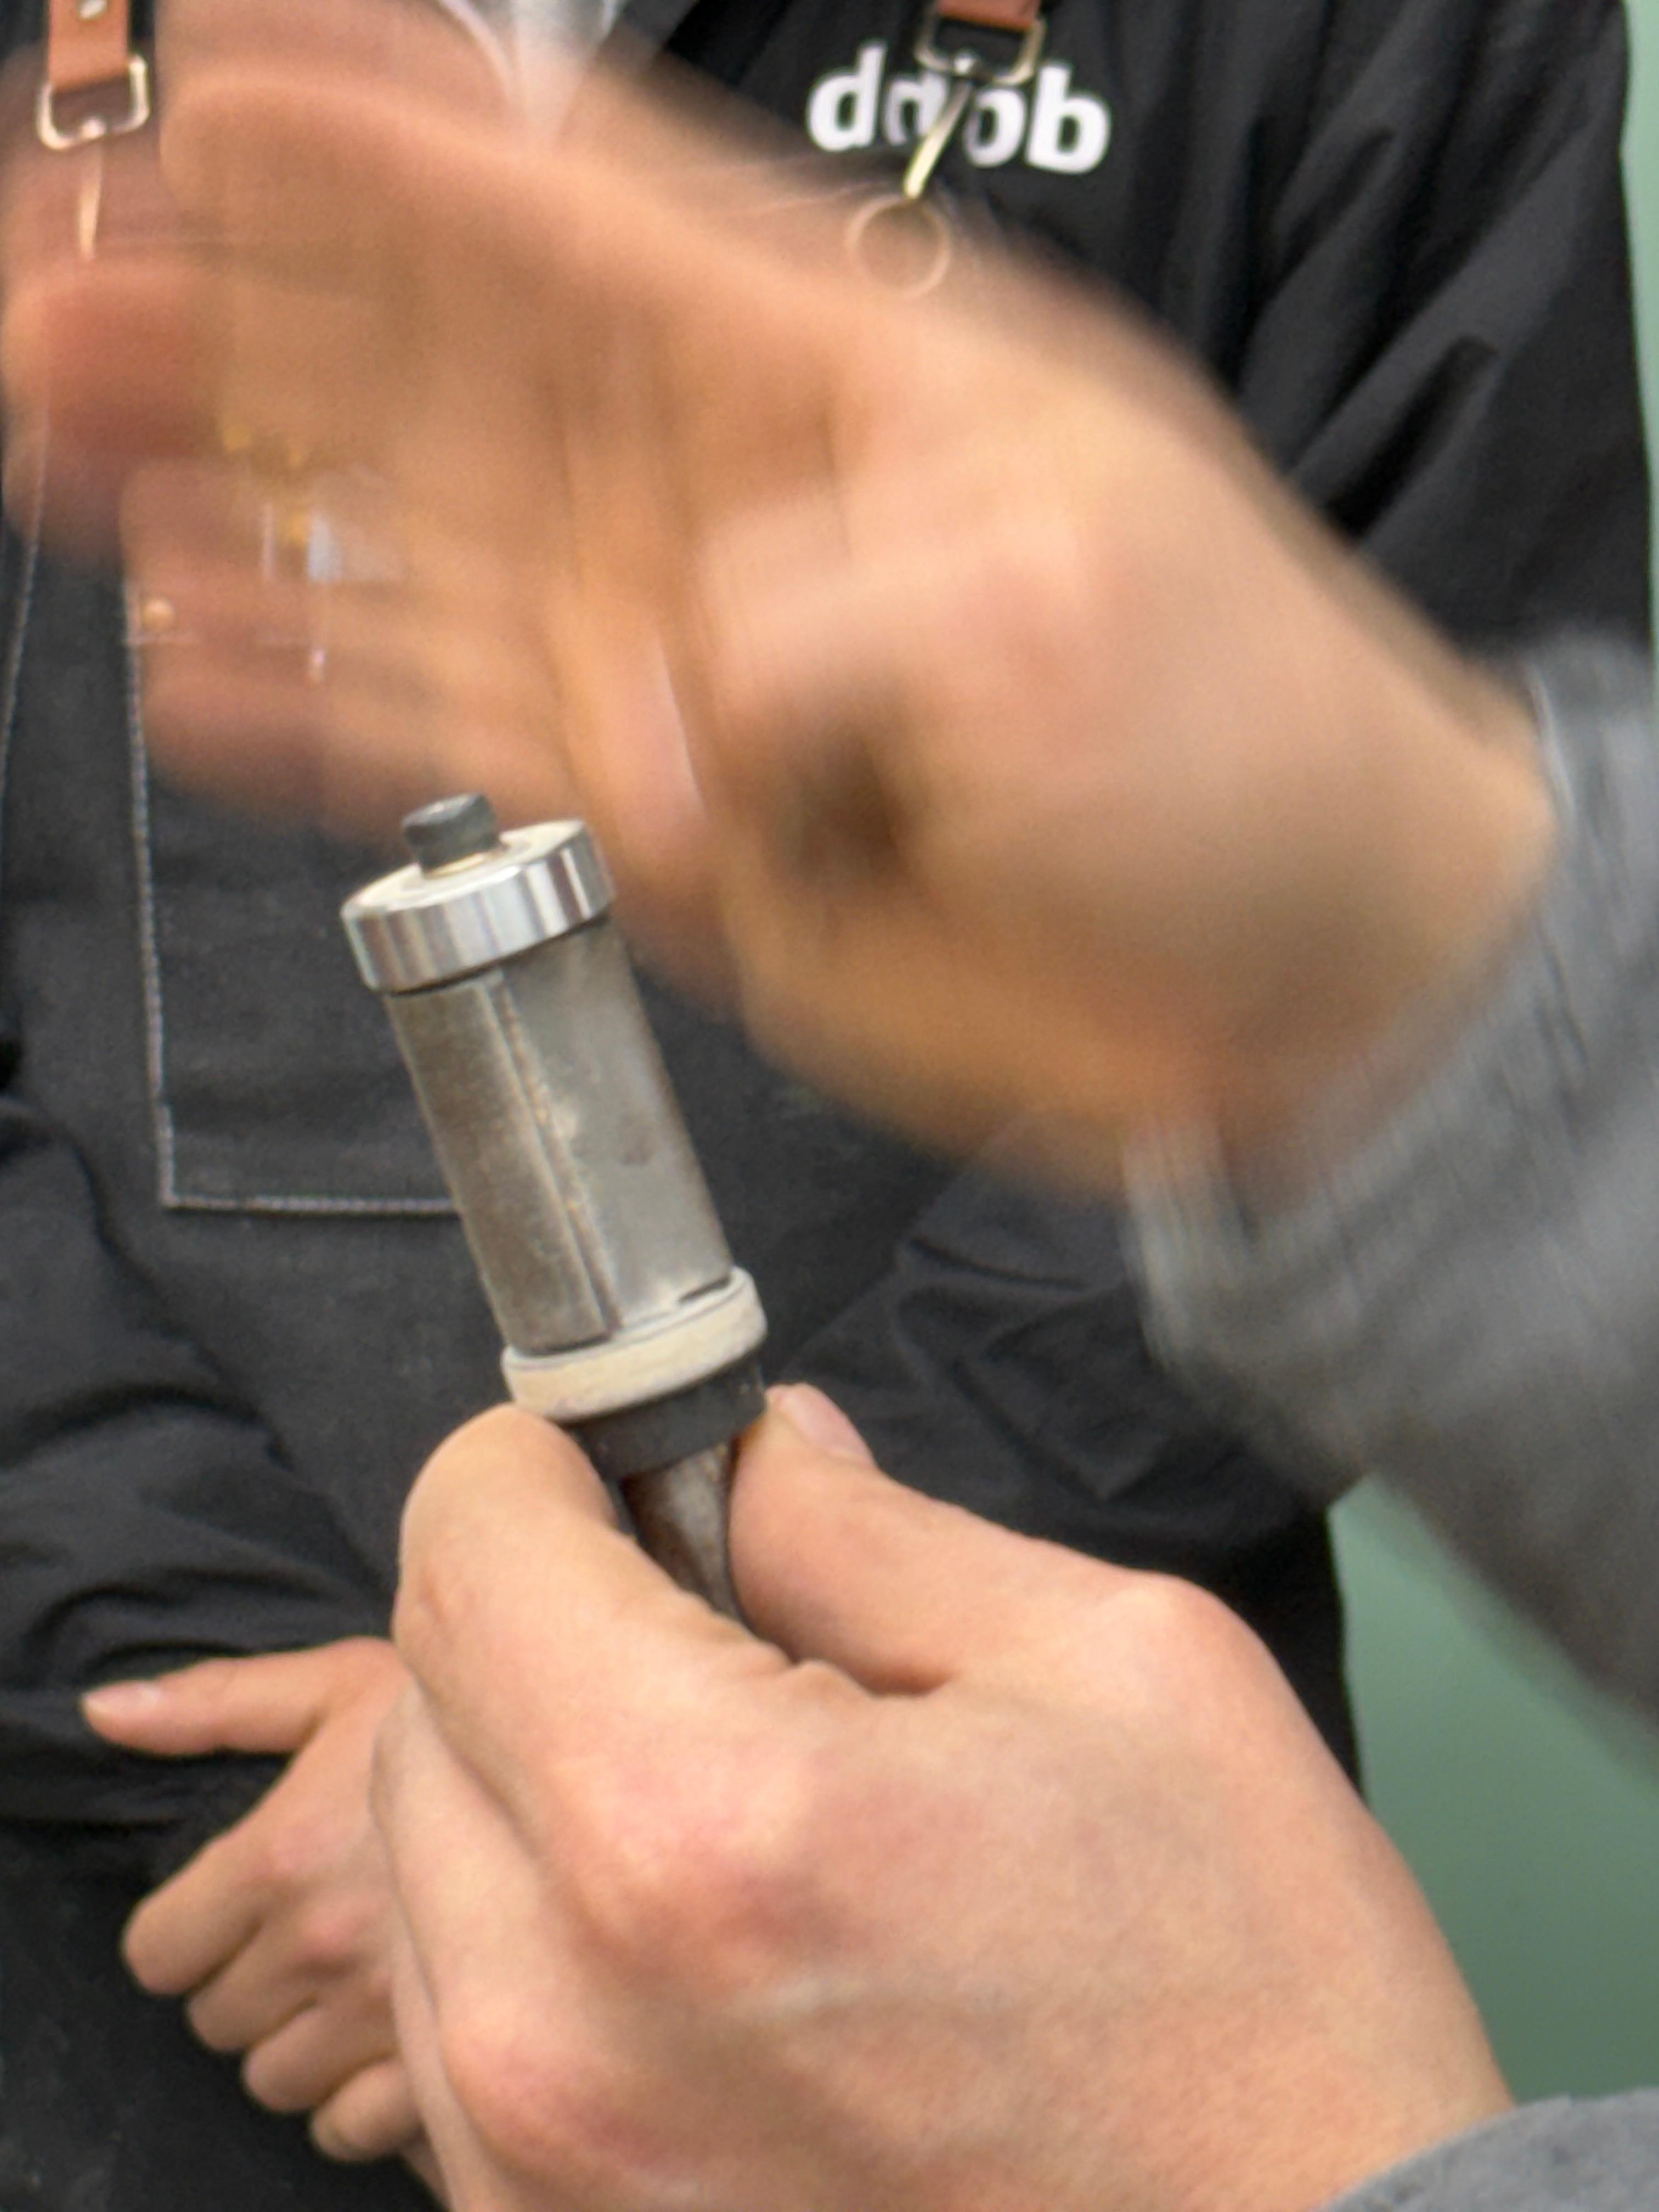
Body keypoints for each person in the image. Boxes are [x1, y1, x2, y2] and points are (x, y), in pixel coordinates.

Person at [0, 2, 1647, 2208]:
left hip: (1006, 1941)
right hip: (170, 1966)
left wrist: (612, 1762)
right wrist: (237, 1714)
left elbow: (1365, 941)